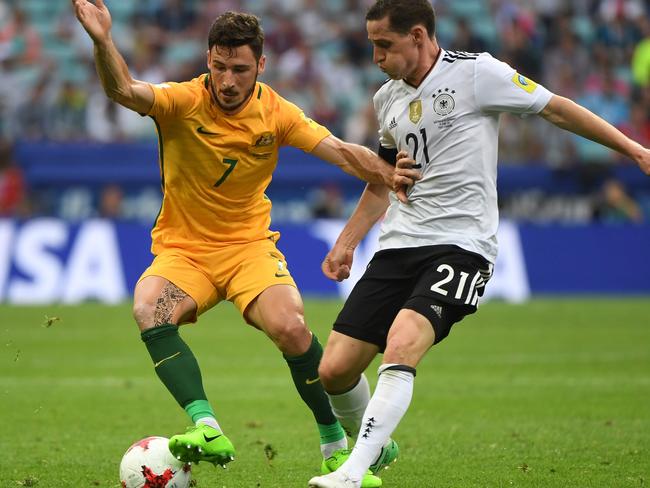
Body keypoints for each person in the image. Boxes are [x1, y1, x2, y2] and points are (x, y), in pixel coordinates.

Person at [71, 1, 417, 485]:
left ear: (260, 65)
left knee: (293, 329)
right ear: (207, 61)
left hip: (248, 248)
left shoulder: (275, 112)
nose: (227, 81)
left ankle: (335, 446)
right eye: (218, 67)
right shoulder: (184, 101)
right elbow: (123, 90)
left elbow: (339, 151)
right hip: (184, 250)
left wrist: (390, 174)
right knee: (150, 309)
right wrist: (103, 39)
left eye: (238, 69)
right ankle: (207, 427)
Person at [308, 1, 650, 487]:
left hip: (461, 245)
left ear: (420, 36)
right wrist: (346, 243)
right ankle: (375, 447)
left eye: (385, 45)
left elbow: (557, 109)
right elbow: (382, 181)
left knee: (403, 344)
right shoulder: (387, 100)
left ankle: (353, 471)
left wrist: (633, 149)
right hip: (398, 244)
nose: (376, 56)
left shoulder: (477, 74)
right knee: (334, 371)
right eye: (372, 46)